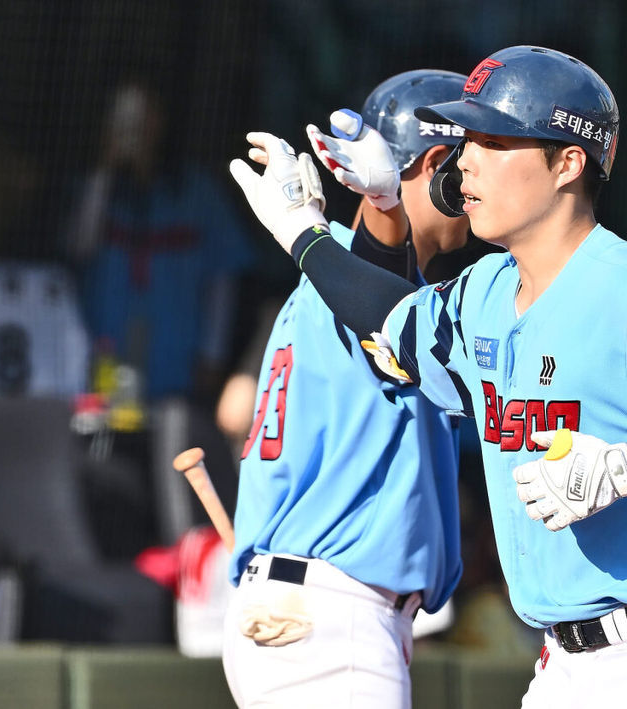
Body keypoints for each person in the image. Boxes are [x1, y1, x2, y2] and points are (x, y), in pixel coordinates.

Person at [229, 46, 627, 708]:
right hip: (563, 663)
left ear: (569, 161)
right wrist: (309, 231)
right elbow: (389, 322)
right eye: (465, 141)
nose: (466, 161)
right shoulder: (485, 290)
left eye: (493, 140)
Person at [222, 70, 470, 708]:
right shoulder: (339, 271)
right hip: (330, 618)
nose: (477, 185)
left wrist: (381, 209)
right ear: (438, 161)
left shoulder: (332, 274)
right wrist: (384, 210)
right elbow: (375, 287)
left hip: (308, 610)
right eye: (471, 161)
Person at [67, 77, 255, 405]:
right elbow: (78, 247)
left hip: (175, 356)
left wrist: (212, 352)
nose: (135, 128)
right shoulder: (99, 190)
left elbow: (223, 277)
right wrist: (105, 167)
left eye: (143, 115)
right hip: (106, 349)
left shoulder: (198, 192)